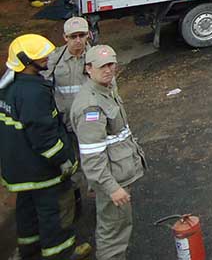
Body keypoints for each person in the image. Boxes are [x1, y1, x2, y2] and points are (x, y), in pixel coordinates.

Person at [1, 34, 89, 260]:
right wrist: (63, 159)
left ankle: (28, 248)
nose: (48, 58)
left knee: (26, 207)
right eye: (42, 56)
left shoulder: (8, 86)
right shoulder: (34, 93)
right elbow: (44, 135)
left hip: (18, 169)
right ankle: (61, 252)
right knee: (54, 211)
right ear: (26, 61)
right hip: (41, 170)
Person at [72, 45, 144, 260]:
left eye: (111, 64)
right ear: (88, 68)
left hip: (118, 172)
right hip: (111, 179)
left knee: (120, 225)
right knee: (113, 233)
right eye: (102, 66)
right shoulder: (90, 107)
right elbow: (92, 157)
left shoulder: (107, 86)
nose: (109, 70)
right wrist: (111, 188)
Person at [44, 17, 93, 205]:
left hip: (89, 124)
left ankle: (98, 197)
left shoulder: (95, 58)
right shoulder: (54, 60)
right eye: (73, 36)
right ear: (65, 37)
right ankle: (75, 199)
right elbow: (44, 89)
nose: (78, 40)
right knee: (70, 166)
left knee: (94, 163)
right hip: (65, 126)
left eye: (82, 35)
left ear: (88, 34)